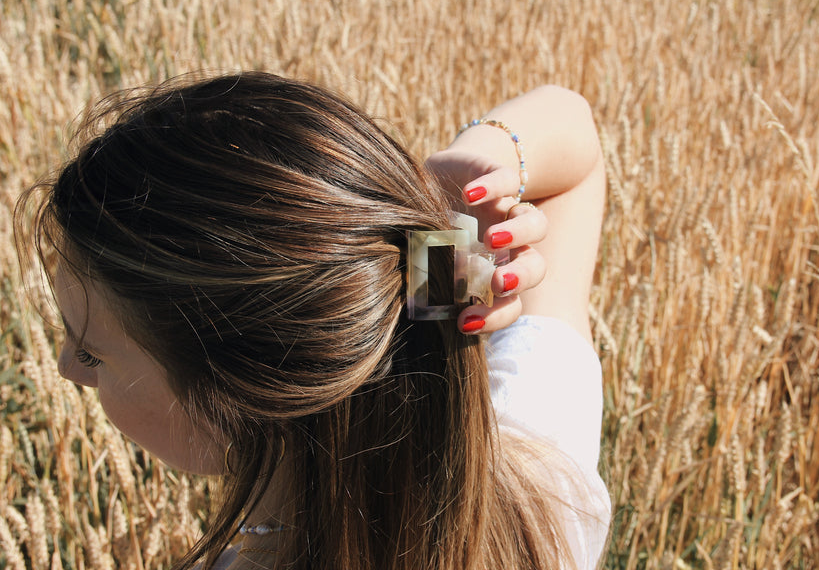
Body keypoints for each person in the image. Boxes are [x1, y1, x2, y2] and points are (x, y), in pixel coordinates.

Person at [20, 73, 610, 570]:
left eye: (93, 352)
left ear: (241, 391)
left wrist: (443, 238)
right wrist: (454, 204)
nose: (68, 368)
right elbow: (575, 151)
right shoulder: (546, 502)